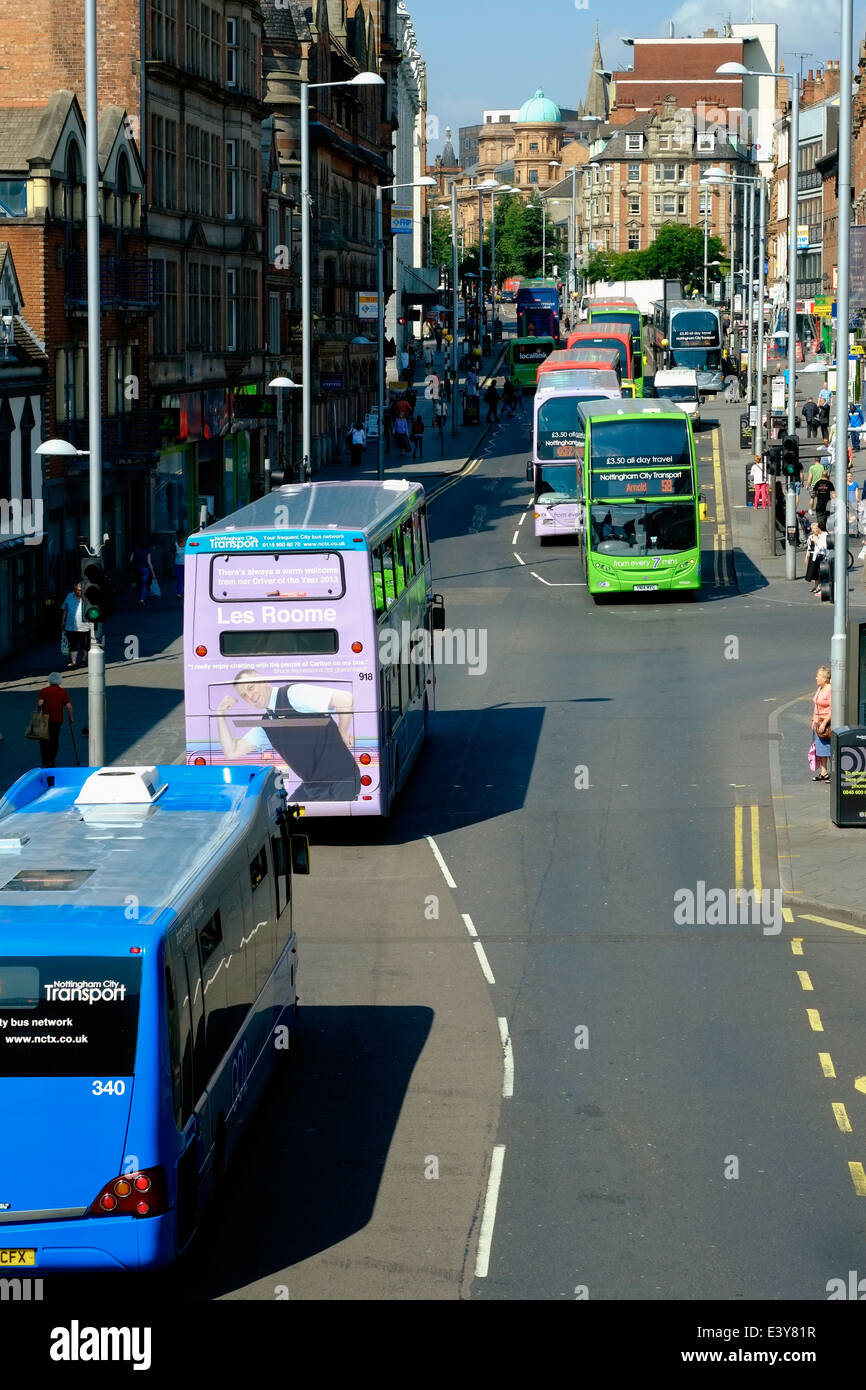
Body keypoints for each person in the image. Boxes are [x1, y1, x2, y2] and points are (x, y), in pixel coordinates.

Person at [215, 670, 360, 802]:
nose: (250, 696)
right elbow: (232, 751)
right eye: (244, 695)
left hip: (341, 781)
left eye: (251, 687)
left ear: (262, 680)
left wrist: (342, 733)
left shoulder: (293, 694)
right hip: (314, 786)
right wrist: (219, 714)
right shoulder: (267, 724)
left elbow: (345, 699)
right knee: (286, 821)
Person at [36, 672, 73, 769]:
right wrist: (70, 717)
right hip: (57, 719)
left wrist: (39, 710)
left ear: (50, 680)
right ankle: (52, 760)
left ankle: (46, 759)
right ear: (59, 681)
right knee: (54, 739)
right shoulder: (63, 692)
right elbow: (69, 706)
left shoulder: (44, 690)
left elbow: (40, 703)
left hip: (45, 719)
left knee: (44, 740)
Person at [60, 581, 90, 670]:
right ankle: (73, 662)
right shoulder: (70, 596)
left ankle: (83, 660)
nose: (78, 592)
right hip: (71, 626)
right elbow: (65, 609)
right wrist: (63, 622)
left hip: (84, 626)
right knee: (73, 644)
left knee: (84, 644)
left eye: (80, 590)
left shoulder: (87, 598)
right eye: (76, 590)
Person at [811, 665, 832, 781]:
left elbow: (833, 708)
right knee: (820, 748)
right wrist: (813, 720)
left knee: (828, 748)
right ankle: (824, 772)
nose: (816, 678)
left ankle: (833, 771)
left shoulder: (829, 689)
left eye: (818, 676)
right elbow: (816, 705)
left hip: (826, 724)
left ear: (825, 678)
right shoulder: (820, 688)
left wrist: (824, 723)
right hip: (818, 722)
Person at [130, 539, 156, 608]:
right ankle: (142, 599)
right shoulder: (147, 551)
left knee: (139, 584)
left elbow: (131, 560)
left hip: (137, 569)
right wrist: (153, 573)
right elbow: (149, 562)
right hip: (145, 570)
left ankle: (139, 596)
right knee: (144, 585)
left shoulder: (135, 550)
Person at [804, 521, 828, 593]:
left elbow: (823, 547)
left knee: (819, 572)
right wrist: (806, 557)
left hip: (819, 556)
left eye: (815, 528)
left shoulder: (821, 536)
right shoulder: (810, 537)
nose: (814, 530)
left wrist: (816, 541)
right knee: (813, 572)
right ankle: (816, 586)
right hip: (812, 556)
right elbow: (809, 548)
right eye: (813, 528)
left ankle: (819, 587)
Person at [175, 531, 186, 599]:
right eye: (179, 537)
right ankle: (179, 593)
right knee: (179, 579)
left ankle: (186, 592)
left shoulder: (187, 543)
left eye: (182, 537)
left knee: (186, 579)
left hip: (186, 564)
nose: (181, 538)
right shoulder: (175, 544)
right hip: (178, 564)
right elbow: (172, 553)